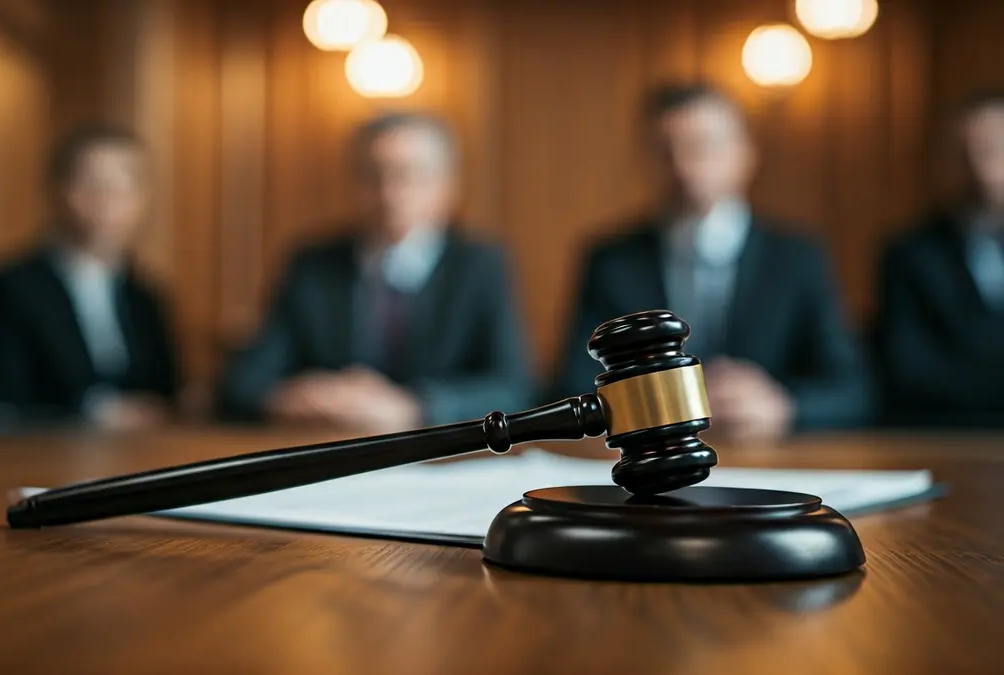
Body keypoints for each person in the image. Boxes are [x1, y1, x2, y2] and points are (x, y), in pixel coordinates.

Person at [554, 83, 871, 442]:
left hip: (770, 459)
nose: (684, 167)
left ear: (745, 154)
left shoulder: (797, 258)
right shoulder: (611, 260)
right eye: (665, 150)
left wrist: (784, 405)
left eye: (702, 147)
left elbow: (851, 389)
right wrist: (670, 406)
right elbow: (573, 385)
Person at [217, 112, 534, 432]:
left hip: (442, 458)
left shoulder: (479, 265)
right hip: (330, 448)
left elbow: (513, 388)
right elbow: (244, 382)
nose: (389, 193)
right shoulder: (312, 265)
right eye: (373, 175)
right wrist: (303, 397)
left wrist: (413, 406)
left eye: (407, 175)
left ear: (446, 186)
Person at [0, 125, 180, 431]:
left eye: (125, 186)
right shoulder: (11, 287)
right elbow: (2, 400)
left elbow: (167, 392)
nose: (108, 200)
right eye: (93, 184)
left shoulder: (146, 297)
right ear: (58, 189)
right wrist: (96, 413)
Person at [876, 92, 1004, 427]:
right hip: (946, 434)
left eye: (993, 149)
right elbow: (909, 370)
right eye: (966, 153)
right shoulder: (910, 254)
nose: (981, 168)